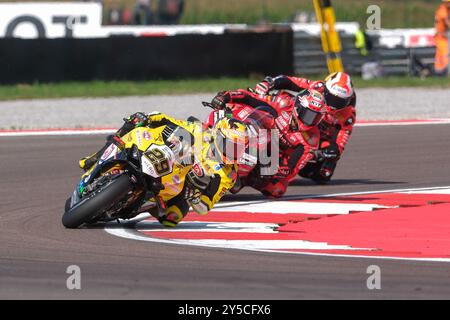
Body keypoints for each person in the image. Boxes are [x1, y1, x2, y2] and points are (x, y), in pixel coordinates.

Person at [79, 112, 247, 227]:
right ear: (218, 135)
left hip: (179, 186)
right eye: (231, 146)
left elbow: (205, 207)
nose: (233, 152)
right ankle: (94, 159)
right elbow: (169, 121)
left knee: (173, 218)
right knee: (134, 124)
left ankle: (135, 204)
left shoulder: (228, 174)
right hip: (162, 156)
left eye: (238, 149)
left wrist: (194, 196)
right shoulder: (199, 130)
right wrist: (150, 117)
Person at [211, 88, 326, 198]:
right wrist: (227, 96)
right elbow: (251, 97)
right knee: (235, 109)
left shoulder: (311, 138)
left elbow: (294, 167)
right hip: (250, 126)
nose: (311, 120)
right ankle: (210, 131)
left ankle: (242, 179)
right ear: (298, 107)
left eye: (316, 117)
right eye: (309, 114)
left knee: (277, 189)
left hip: (269, 155)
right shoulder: (283, 103)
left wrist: (283, 170)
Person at [253, 72, 356, 184]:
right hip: (295, 120)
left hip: (315, 138)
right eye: (331, 98)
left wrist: (332, 151)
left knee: (324, 174)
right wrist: (269, 83)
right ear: (325, 89)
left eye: (340, 102)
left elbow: (342, 139)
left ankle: (286, 167)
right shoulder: (317, 87)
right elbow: (289, 81)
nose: (333, 105)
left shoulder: (348, 115)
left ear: (348, 100)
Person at [434, 0, 450, 76]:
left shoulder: (445, 10)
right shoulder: (443, 11)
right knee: (445, 54)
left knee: (440, 55)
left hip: (442, 37)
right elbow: (447, 23)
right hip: (441, 37)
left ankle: (439, 73)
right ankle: (446, 72)